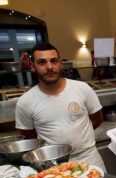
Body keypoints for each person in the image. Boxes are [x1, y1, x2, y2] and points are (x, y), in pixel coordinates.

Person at [15, 43, 106, 171]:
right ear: (32, 66)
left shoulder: (82, 88)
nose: (49, 67)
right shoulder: (25, 102)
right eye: (42, 62)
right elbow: (29, 136)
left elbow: (97, 118)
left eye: (54, 61)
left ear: (60, 63)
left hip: (89, 158)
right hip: (54, 166)